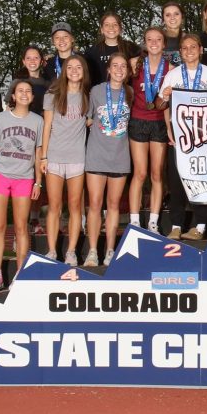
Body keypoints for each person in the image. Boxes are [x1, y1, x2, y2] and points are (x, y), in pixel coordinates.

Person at [159, 34, 207, 240]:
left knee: (201, 181)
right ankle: (177, 226)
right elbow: (161, 105)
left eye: (193, 47)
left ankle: (200, 226)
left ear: (201, 50)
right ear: (180, 52)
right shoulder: (173, 74)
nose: (189, 51)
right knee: (176, 182)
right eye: (185, 48)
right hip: (179, 136)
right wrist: (166, 99)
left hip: (204, 137)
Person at [0, 79, 43, 291]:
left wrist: (38, 182)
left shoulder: (38, 121)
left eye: (28, 91)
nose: (24, 94)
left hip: (24, 178)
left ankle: (19, 274)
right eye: (20, 91)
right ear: (13, 96)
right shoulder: (0, 119)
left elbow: (38, 153)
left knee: (21, 227)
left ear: (32, 97)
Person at [40, 55, 91, 264]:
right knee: (54, 206)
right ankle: (52, 251)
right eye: (70, 67)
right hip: (54, 157)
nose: (75, 70)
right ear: (65, 70)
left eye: (79, 67)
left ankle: (71, 251)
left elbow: (91, 121)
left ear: (83, 71)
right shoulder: (52, 94)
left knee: (75, 206)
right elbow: (47, 127)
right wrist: (43, 156)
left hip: (77, 159)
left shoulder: (88, 96)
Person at [85, 54, 134, 266]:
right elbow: (87, 120)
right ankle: (93, 251)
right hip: (96, 154)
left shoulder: (131, 93)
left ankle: (111, 250)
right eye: (115, 65)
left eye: (123, 66)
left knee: (113, 205)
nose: (119, 69)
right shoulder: (96, 91)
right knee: (95, 204)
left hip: (120, 156)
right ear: (108, 69)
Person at [128, 27, 171, 234]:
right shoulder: (134, 64)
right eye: (149, 39)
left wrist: (171, 129)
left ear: (164, 44)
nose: (154, 43)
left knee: (156, 174)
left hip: (159, 123)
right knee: (140, 173)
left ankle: (153, 221)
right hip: (137, 121)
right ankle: (134, 220)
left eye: (158, 40)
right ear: (145, 43)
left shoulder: (171, 68)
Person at [84, 12, 141, 87]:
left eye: (115, 24)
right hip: (101, 95)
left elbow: (147, 58)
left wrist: (138, 59)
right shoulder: (92, 51)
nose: (111, 27)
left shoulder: (130, 47)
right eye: (107, 25)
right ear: (101, 29)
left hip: (126, 94)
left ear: (120, 28)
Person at [12, 45, 49, 116]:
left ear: (41, 61)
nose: (32, 61)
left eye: (36, 58)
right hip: (23, 124)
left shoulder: (48, 83)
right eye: (28, 58)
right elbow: (10, 107)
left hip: (43, 124)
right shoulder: (17, 82)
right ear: (24, 61)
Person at [160, 2, 185, 67]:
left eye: (176, 14)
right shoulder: (156, 40)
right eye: (168, 15)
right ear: (163, 20)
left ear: (182, 17)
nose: (172, 17)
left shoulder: (190, 40)